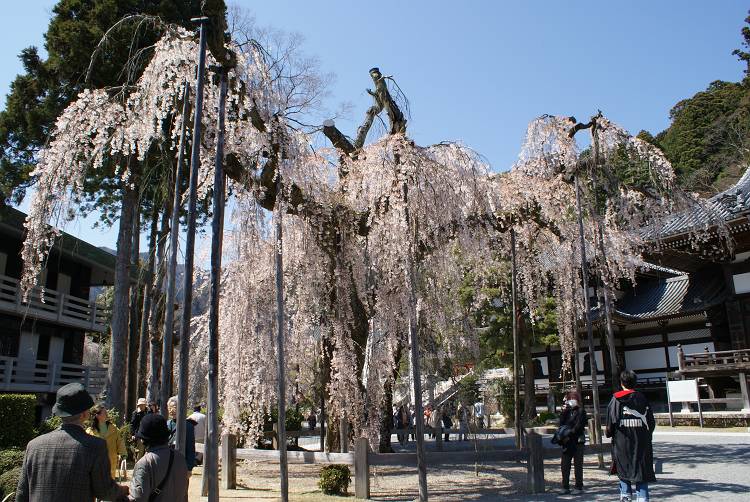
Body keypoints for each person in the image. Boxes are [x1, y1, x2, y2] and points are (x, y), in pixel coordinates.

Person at [15, 382, 128, 502]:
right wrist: (123, 490)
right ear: (84, 414)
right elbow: (105, 492)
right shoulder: (95, 446)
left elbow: (22, 494)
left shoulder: (34, 446)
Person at [606, 370, 656, 502]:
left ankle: (626, 497)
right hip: (641, 443)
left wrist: (610, 433)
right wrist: (645, 435)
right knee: (641, 472)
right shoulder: (642, 399)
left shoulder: (615, 400)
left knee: (623, 472)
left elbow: (610, 425)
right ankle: (643, 498)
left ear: (621, 383)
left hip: (622, 442)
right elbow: (650, 423)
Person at [129, 413, 189, 501]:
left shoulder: (145, 463)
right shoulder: (180, 458)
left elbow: (137, 499)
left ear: (143, 439)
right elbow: (184, 493)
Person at [556, 390, 587, 494]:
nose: (571, 401)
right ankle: (565, 486)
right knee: (565, 465)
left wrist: (568, 435)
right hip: (567, 442)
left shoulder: (581, 411)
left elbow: (578, 427)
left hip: (578, 441)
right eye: (569, 399)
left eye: (573, 399)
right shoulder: (566, 412)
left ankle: (578, 486)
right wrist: (563, 412)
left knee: (578, 465)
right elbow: (561, 425)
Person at [86, 404, 127, 480]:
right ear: (97, 416)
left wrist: (123, 453)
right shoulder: (90, 431)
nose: (107, 414)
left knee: (110, 482)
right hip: (96, 462)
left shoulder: (113, 428)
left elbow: (120, 441)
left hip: (111, 460)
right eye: (104, 413)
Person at [166, 395, 196, 484]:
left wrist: (189, 468)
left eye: (174, 407)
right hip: (166, 463)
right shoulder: (166, 424)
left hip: (181, 463)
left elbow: (191, 448)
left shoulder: (188, 426)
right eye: (169, 407)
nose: (171, 410)